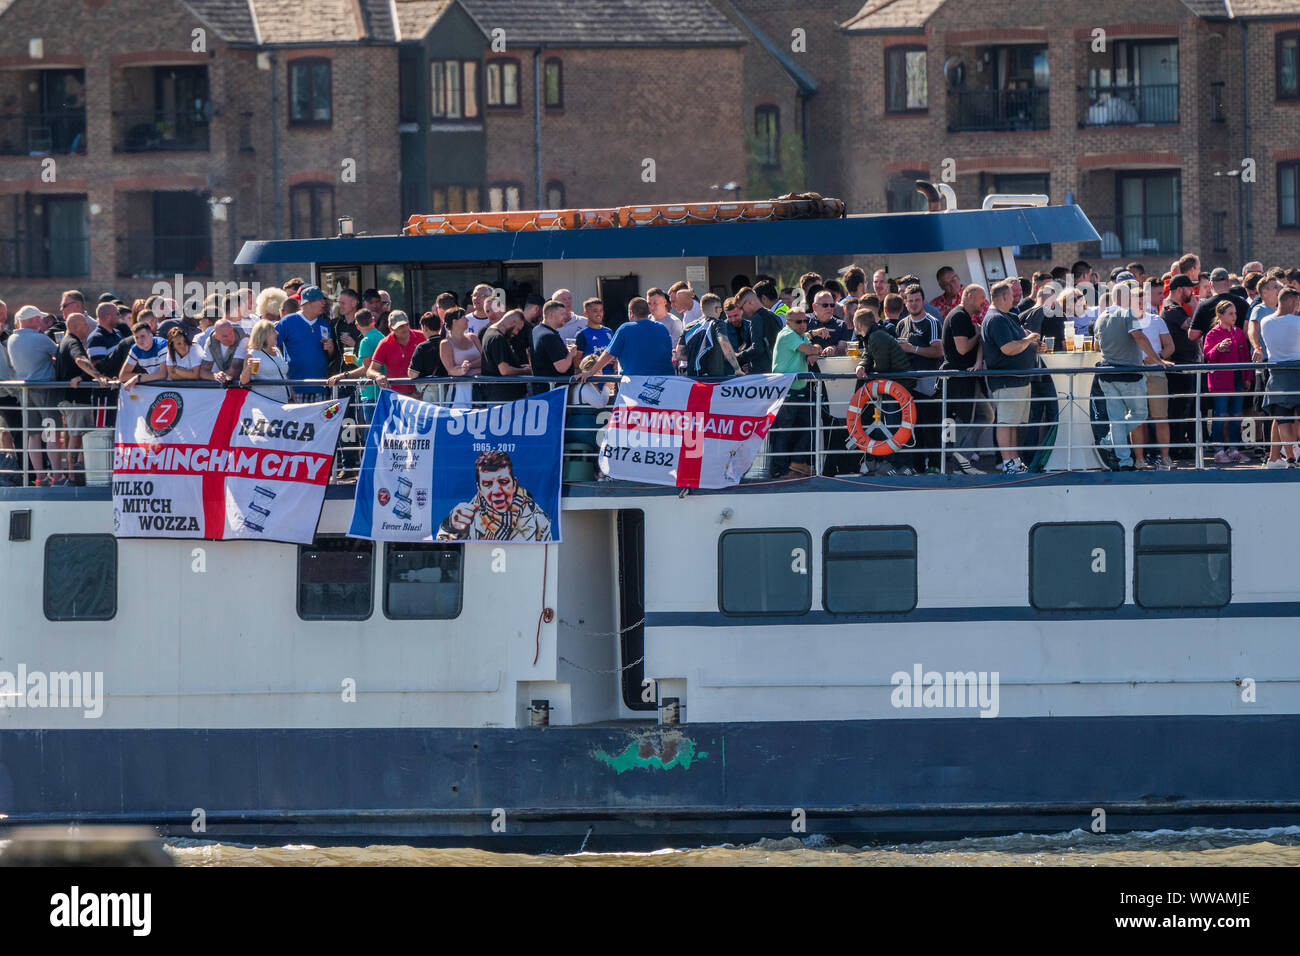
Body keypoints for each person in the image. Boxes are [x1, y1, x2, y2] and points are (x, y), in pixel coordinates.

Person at [1093, 283, 1173, 471]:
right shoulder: (1127, 314)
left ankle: (1125, 461)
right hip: (1128, 374)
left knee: (1117, 418)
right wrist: (1157, 360)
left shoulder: (1101, 317)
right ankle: (1108, 440)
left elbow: (1097, 347)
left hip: (1107, 374)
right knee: (1140, 413)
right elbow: (1139, 337)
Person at [980, 281, 1043, 474]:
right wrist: (1029, 340)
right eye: (1011, 295)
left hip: (1019, 380)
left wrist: (1032, 345)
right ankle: (1008, 462)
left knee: (1014, 423)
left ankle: (1014, 460)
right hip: (1007, 380)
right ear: (1003, 297)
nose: (1015, 298)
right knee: (1006, 422)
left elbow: (1018, 343)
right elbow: (1008, 348)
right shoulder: (996, 319)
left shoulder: (1008, 317)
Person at [436, 449, 552, 541]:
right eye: (487, 484)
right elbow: (442, 548)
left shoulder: (538, 520)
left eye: (503, 482)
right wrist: (449, 525)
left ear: (515, 483)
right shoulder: (466, 517)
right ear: (479, 489)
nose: (497, 491)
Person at [895, 283, 945, 471]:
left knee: (931, 427)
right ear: (905, 303)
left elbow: (937, 351)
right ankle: (916, 467)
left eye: (917, 300)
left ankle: (934, 466)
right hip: (908, 385)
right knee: (912, 427)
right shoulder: (902, 324)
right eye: (910, 301)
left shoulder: (932, 322)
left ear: (923, 301)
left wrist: (912, 348)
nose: (914, 304)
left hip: (928, 382)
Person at [53, 312, 107, 485]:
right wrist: (99, 376)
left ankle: (78, 472)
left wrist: (83, 378)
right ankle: (72, 476)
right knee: (76, 436)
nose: (88, 328)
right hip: (74, 400)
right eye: (85, 325)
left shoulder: (66, 342)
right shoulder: (73, 342)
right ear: (76, 326)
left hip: (72, 399)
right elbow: (80, 360)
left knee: (79, 435)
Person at [940, 285, 986, 474]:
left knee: (985, 415)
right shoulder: (959, 316)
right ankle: (961, 461)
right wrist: (978, 334)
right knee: (965, 418)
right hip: (959, 378)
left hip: (966, 377)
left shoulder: (964, 317)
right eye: (982, 298)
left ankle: (963, 458)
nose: (984, 302)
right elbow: (962, 348)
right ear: (969, 296)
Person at [770, 309, 821, 478]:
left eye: (805, 321)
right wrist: (813, 351)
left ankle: (797, 464)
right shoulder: (787, 334)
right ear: (788, 322)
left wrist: (814, 350)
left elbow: (811, 348)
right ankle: (781, 470)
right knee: (784, 431)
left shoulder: (799, 335)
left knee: (807, 426)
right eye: (798, 322)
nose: (803, 325)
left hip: (798, 389)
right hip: (786, 391)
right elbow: (808, 349)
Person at [1202, 299, 1252, 464]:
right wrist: (1218, 348)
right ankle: (1218, 450)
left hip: (1238, 377)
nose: (1234, 316)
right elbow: (1208, 357)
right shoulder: (1212, 334)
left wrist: (1247, 377)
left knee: (1236, 414)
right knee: (1221, 414)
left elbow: (1245, 357)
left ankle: (1233, 448)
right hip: (1220, 380)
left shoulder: (1238, 332)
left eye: (1235, 313)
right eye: (1230, 313)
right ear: (1220, 315)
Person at [1130, 305, 1176, 469]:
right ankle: (1139, 459)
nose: (1140, 305)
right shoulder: (1125, 321)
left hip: (1156, 373)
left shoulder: (1157, 320)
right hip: (1134, 373)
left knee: (1161, 417)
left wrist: (1158, 358)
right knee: (1137, 419)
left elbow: (1170, 346)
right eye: (1137, 301)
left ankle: (1165, 458)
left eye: (1143, 301)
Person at [582, 297, 673, 378]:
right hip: (664, 382)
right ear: (648, 312)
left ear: (631, 313)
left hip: (635, 384)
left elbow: (609, 354)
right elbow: (669, 353)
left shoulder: (625, 329)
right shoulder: (662, 328)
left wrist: (591, 372)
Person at [1161, 274, 1200, 459]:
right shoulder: (1172, 309)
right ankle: (1176, 446)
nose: (1192, 292)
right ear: (1179, 290)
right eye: (1189, 288)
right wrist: (1196, 308)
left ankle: (1180, 443)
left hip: (1186, 366)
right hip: (1179, 368)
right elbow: (1192, 329)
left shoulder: (1177, 308)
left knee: (1184, 409)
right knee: (1179, 409)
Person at [1261, 289, 1300, 468]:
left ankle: (1290, 457)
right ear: (1292, 302)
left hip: (1276, 374)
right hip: (1296, 370)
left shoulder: (1265, 322)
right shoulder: (1297, 322)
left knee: (1282, 418)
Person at [275, 285, 333, 400]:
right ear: (308, 303)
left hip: (320, 387)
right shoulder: (287, 321)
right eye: (320, 300)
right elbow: (271, 347)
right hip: (296, 388)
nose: (323, 303)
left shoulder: (324, 324)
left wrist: (331, 349)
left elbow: (329, 357)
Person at [366, 312, 426, 398]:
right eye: (399, 326)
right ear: (391, 328)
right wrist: (378, 376)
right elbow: (370, 370)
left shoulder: (422, 336)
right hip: (398, 396)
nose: (404, 328)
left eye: (406, 324)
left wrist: (424, 392)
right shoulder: (385, 343)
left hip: (423, 393)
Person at [478, 309, 532, 404]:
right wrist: (526, 371)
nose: (516, 333)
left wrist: (519, 367)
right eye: (517, 329)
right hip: (503, 398)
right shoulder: (497, 338)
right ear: (512, 322)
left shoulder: (490, 332)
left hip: (500, 395)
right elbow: (505, 370)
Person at [530, 299, 582, 391]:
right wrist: (571, 354)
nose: (565, 317)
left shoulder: (536, 330)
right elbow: (562, 368)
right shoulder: (549, 336)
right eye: (562, 314)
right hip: (553, 391)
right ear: (550, 315)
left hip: (542, 388)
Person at [437, 308, 482, 409]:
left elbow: (485, 360)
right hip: (460, 392)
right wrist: (462, 370)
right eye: (464, 317)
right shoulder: (445, 344)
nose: (467, 320)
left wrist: (469, 365)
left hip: (482, 387)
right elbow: (451, 369)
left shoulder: (473, 337)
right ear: (454, 321)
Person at [239, 319, 291, 403]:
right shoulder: (253, 354)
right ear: (264, 335)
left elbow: (285, 376)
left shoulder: (277, 351)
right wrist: (249, 367)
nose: (277, 333)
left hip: (284, 401)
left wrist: (293, 398)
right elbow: (244, 381)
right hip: (265, 404)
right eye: (273, 331)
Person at [734, 286, 784, 373]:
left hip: (762, 374)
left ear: (749, 302)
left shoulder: (757, 318)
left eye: (742, 308)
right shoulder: (775, 316)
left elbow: (757, 348)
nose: (742, 312)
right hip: (777, 369)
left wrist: (737, 356)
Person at [408, 310, 448, 403]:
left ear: (425, 327)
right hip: (448, 391)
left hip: (429, 393)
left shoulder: (422, 347)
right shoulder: (448, 343)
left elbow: (413, 374)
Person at [119, 321, 169, 388]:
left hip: (175, 384)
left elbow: (163, 374)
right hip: (159, 386)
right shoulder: (135, 349)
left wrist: (138, 378)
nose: (139, 340)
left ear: (151, 336)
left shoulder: (162, 345)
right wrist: (140, 377)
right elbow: (123, 376)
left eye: (142, 336)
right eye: (136, 337)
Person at [199, 319, 248, 384]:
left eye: (231, 333)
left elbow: (234, 372)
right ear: (217, 337)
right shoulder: (211, 341)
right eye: (225, 336)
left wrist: (220, 377)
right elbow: (203, 372)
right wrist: (215, 376)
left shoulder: (243, 339)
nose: (230, 338)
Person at [807, 290, 851, 355]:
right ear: (814, 307)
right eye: (825, 305)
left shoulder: (841, 325)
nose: (829, 308)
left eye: (832, 305)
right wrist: (814, 333)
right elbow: (794, 339)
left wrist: (834, 349)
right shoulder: (804, 320)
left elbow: (843, 348)